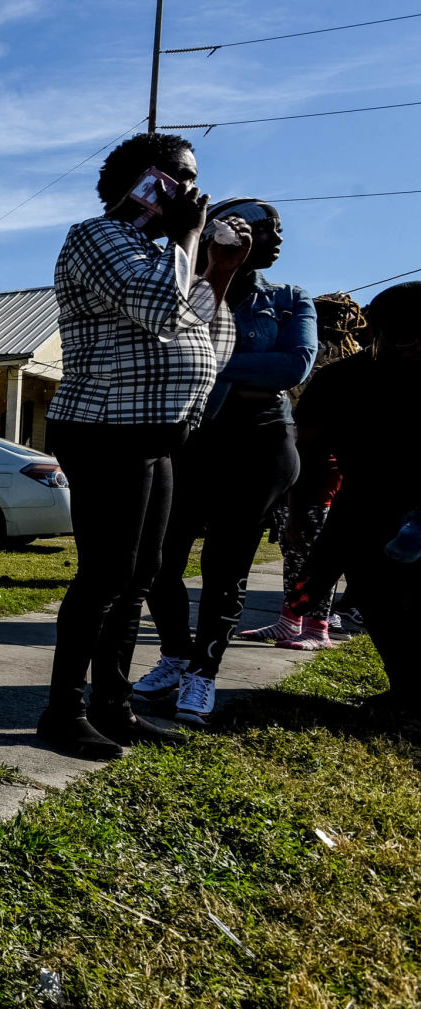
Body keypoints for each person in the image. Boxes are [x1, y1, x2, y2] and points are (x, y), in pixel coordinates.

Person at [36, 132, 252, 760]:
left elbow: (211, 338)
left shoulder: (163, 256)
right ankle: (63, 711)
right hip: (105, 429)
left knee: (140, 576)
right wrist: (188, 238)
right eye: (181, 177)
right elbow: (158, 309)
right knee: (104, 575)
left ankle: (113, 704)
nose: (193, 191)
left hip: (157, 434)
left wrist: (217, 271)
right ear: (144, 182)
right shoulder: (96, 238)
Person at [134, 199, 315, 726]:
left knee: (225, 565)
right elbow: (164, 353)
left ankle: (203, 674)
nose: (274, 236)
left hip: (261, 443)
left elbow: (292, 365)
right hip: (192, 439)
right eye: (259, 227)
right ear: (218, 233)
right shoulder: (189, 291)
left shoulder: (287, 298)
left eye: (278, 228)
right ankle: (175, 655)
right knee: (160, 559)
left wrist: (207, 354)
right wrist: (217, 353)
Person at [284, 282, 421, 712]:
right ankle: (407, 690)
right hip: (366, 507)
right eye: (403, 336)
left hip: (395, 510)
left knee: (397, 602)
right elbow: (309, 449)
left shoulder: (342, 378)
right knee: (377, 600)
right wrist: (301, 509)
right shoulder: (340, 380)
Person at [243, 290, 368, 647]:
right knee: (297, 551)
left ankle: (317, 627)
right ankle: (290, 619)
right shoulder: (340, 358)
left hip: (319, 472)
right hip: (306, 466)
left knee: (313, 552)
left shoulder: (328, 361)